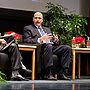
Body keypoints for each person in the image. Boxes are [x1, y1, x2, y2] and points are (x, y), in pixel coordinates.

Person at [23, 12, 71, 80]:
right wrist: (40, 39)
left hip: (50, 46)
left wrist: (55, 41)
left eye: (39, 18)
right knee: (48, 46)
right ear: (33, 19)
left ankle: (62, 72)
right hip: (39, 48)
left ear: (42, 20)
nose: (37, 20)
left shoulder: (47, 29)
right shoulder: (28, 28)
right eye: (36, 18)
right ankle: (48, 73)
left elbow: (51, 41)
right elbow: (26, 40)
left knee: (67, 48)